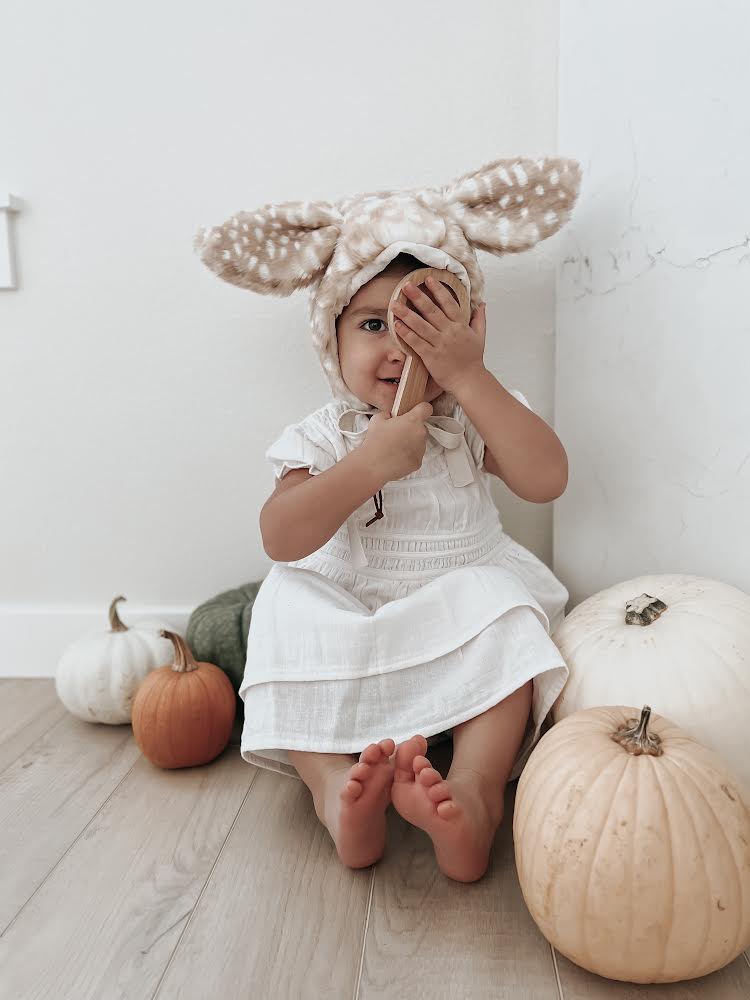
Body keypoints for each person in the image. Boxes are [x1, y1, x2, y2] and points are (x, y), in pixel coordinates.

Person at [194, 155, 582, 882]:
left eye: (430, 328)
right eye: (374, 323)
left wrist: (468, 376)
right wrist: (365, 466)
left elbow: (546, 477)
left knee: (509, 614)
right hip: (348, 603)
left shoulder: (469, 417)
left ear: (470, 330)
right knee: (284, 605)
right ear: (331, 338)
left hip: (456, 592)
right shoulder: (327, 434)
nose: (401, 346)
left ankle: (475, 793)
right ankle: (332, 793)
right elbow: (282, 535)